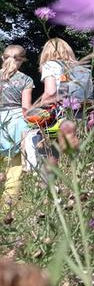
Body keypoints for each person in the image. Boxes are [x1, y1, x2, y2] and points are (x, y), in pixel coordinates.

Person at [0, 45, 34, 209]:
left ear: (2, 58)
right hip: (16, 123)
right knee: (15, 167)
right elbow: (25, 108)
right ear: (22, 60)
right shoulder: (26, 80)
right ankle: (6, 208)